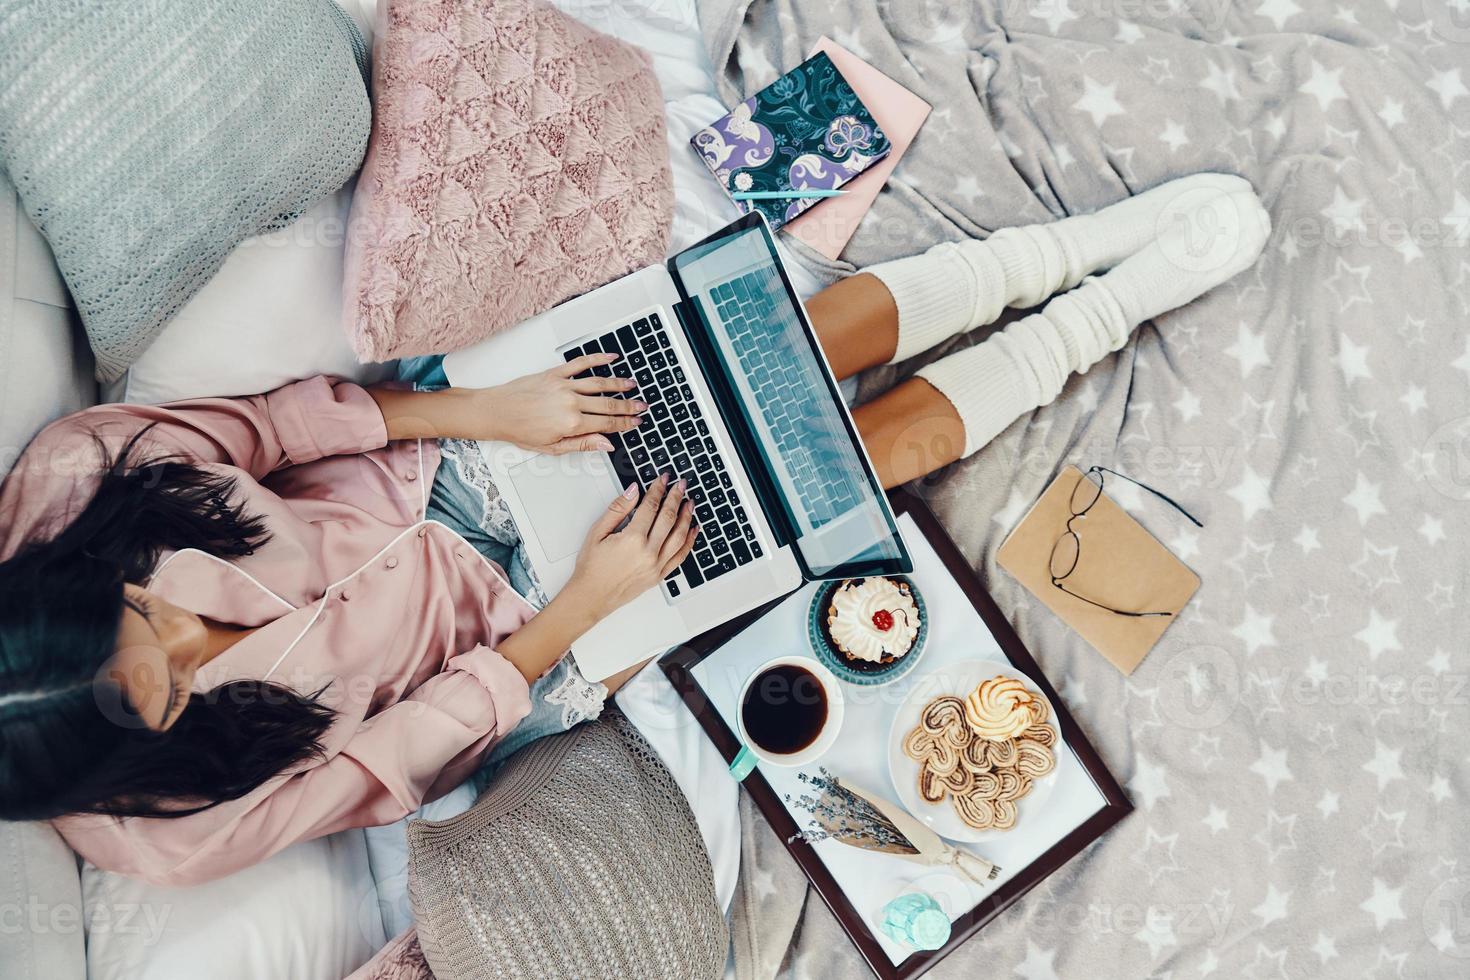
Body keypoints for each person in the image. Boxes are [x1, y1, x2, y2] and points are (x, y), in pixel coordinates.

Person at [0, 173, 1267, 886]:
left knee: (780, 352)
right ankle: (1097, 323)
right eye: (168, 691)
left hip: (453, 465)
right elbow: (380, 765)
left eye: (145, 610)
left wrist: (499, 403)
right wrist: (583, 607)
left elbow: (287, 424)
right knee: (846, 471)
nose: (196, 638)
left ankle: (1061, 251)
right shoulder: (157, 831)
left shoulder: (80, 470)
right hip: (527, 643)